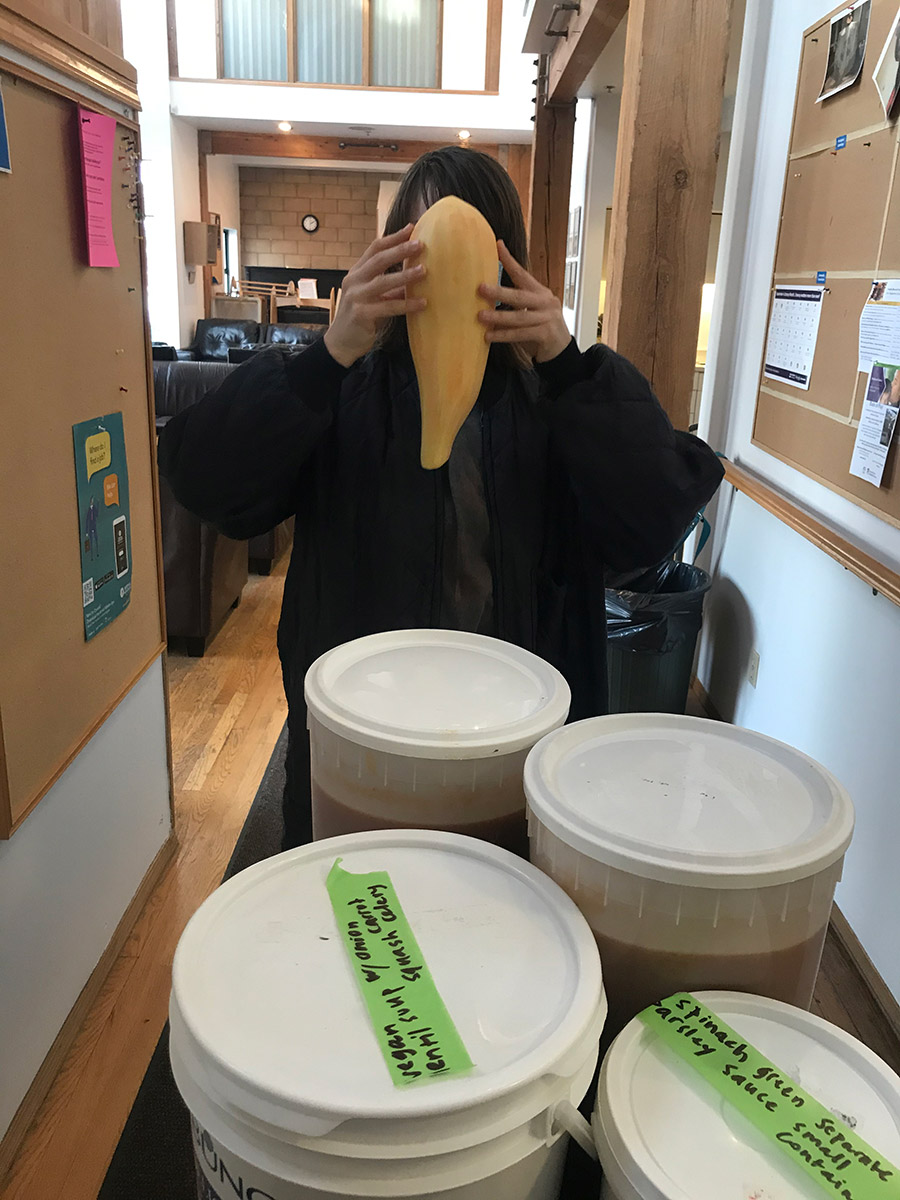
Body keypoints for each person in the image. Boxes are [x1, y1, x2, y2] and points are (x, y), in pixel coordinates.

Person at [157, 146, 724, 849]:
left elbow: (649, 524)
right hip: (362, 742)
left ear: (506, 266)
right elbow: (204, 480)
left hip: (515, 748)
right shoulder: (341, 391)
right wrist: (325, 357)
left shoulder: (555, 403)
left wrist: (574, 369)